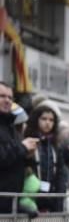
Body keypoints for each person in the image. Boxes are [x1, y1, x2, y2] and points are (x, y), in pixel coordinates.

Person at [0, 82, 36, 214]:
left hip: (10, 204)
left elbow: (13, 159)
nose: (7, 100)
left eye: (10, 97)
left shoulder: (12, 128)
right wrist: (22, 147)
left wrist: (28, 157)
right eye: (2, 96)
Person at [24, 104, 65, 212]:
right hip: (31, 196)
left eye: (51, 120)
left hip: (51, 197)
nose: (48, 123)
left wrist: (59, 201)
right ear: (36, 120)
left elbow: (60, 174)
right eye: (44, 119)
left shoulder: (56, 146)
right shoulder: (28, 141)